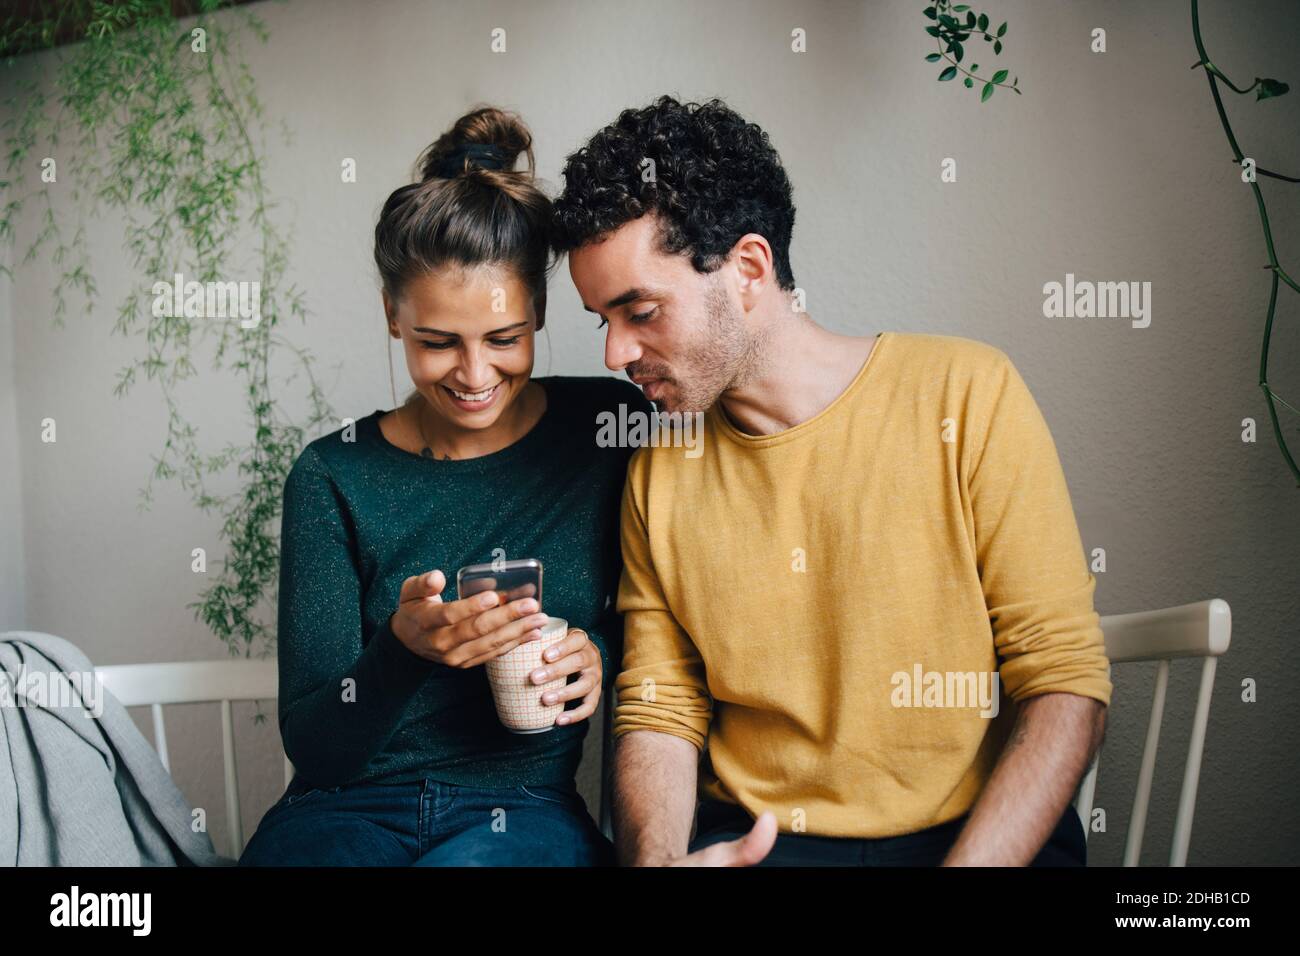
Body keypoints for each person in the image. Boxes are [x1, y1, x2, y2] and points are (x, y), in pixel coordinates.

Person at [549, 95, 1112, 867]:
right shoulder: (660, 471)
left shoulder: (966, 392)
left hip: (980, 836)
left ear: (748, 268)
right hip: (762, 843)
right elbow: (661, 705)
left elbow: (1064, 680)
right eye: (601, 320)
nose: (615, 352)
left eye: (640, 310)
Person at [239, 105, 651, 867]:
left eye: (504, 339)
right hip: (341, 812)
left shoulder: (609, 430)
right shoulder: (333, 475)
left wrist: (596, 652)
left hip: (519, 812)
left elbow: (673, 610)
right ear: (393, 316)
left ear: (539, 313)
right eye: (437, 343)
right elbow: (318, 749)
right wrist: (403, 650)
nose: (473, 376)